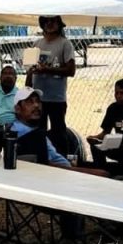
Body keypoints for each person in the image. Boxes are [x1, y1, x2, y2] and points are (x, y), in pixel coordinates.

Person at [25, 15, 75, 155]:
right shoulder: (37, 44)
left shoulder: (65, 44)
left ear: (59, 24)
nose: (49, 24)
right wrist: (28, 91)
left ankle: (62, 161)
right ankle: (41, 159)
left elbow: (71, 70)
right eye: (46, 21)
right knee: (37, 131)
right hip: (37, 99)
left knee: (58, 132)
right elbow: (30, 71)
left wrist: (47, 69)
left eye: (53, 21)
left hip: (56, 98)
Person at [9, 87, 72, 168]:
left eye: (38, 101)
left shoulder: (34, 131)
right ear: (17, 109)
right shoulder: (21, 133)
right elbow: (48, 164)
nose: (36, 105)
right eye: (29, 102)